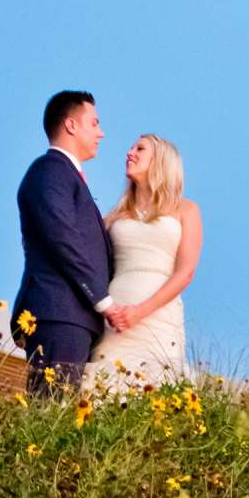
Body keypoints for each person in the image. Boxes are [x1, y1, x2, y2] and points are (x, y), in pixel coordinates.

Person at [13, 91, 116, 394]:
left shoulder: (66, 176)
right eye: (94, 123)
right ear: (71, 125)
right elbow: (63, 237)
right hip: (59, 313)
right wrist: (103, 300)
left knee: (60, 413)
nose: (101, 132)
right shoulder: (50, 171)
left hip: (74, 319)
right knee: (50, 412)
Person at [85, 133, 203, 389]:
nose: (130, 153)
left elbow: (186, 272)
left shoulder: (186, 210)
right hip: (115, 316)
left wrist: (140, 311)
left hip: (160, 317)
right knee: (103, 388)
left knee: (154, 390)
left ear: (161, 161)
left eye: (140, 149)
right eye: (130, 148)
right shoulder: (114, 216)